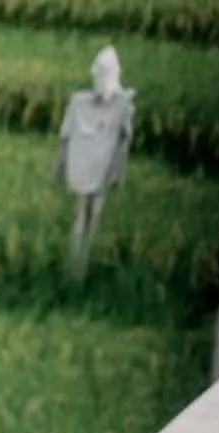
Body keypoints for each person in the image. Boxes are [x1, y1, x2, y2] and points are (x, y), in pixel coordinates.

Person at [55, 48, 136, 280]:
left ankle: (81, 266)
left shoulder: (123, 106)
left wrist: (118, 170)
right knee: (81, 215)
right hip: (84, 165)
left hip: (101, 169)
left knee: (92, 217)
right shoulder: (80, 103)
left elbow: (123, 141)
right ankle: (75, 268)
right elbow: (66, 136)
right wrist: (59, 164)